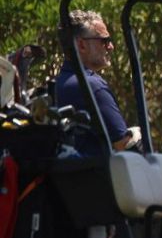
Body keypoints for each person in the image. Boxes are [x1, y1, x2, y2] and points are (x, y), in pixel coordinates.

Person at [54, 10, 141, 155]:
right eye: (104, 41)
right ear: (81, 45)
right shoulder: (92, 86)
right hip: (99, 176)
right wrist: (138, 135)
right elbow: (124, 145)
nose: (111, 47)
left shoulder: (60, 82)